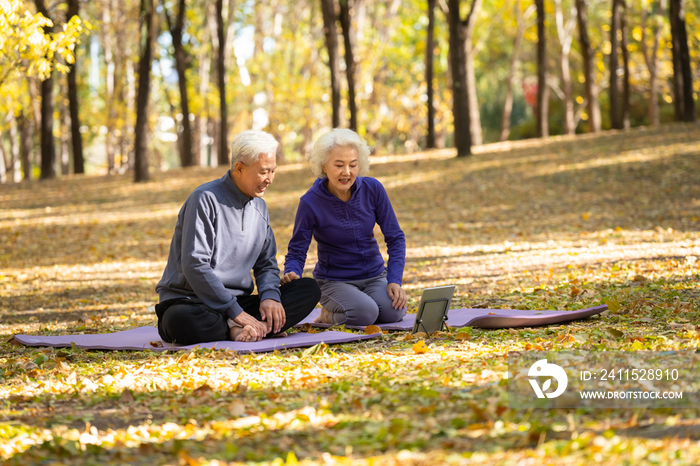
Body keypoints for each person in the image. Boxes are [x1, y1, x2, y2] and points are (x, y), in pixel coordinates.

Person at [155, 130, 321, 345]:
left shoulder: (260, 207)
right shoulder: (204, 199)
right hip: (193, 302)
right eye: (263, 172)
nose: (269, 179)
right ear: (240, 168)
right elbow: (195, 265)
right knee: (181, 322)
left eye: (273, 171)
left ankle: (251, 327)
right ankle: (240, 328)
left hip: (238, 303)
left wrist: (270, 297)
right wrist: (234, 313)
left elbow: (267, 265)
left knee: (308, 289)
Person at [282, 128, 407, 327]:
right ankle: (328, 315)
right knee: (366, 314)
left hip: (374, 276)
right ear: (324, 165)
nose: (347, 172)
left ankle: (356, 306)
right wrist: (292, 271)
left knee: (395, 311)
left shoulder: (373, 189)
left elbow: (395, 237)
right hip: (334, 281)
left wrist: (394, 280)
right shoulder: (310, 202)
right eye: (339, 165)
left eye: (353, 165)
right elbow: (297, 249)